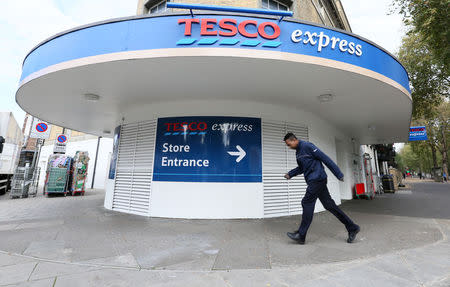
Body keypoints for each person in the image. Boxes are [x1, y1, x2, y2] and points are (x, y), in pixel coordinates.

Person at [283, 133, 360, 245]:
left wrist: (338, 174)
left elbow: (325, 158)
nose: (289, 147)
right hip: (315, 181)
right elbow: (301, 168)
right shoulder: (298, 152)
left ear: (294, 140)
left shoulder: (308, 146)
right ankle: (352, 227)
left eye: (289, 144)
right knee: (329, 205)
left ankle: (301, 234)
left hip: (317, 179)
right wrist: (290, 174)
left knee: (306, 202)